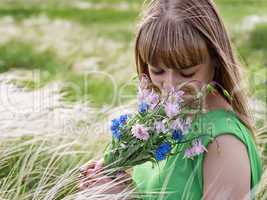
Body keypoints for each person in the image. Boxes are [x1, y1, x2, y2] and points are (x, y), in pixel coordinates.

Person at [78, 0, 263, 199]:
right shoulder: (164, 122)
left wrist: (127, 197)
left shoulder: (224, 144)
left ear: (216, 59)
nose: (171, 86)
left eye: (186, 72)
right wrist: (114, 177)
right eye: (157, 70)